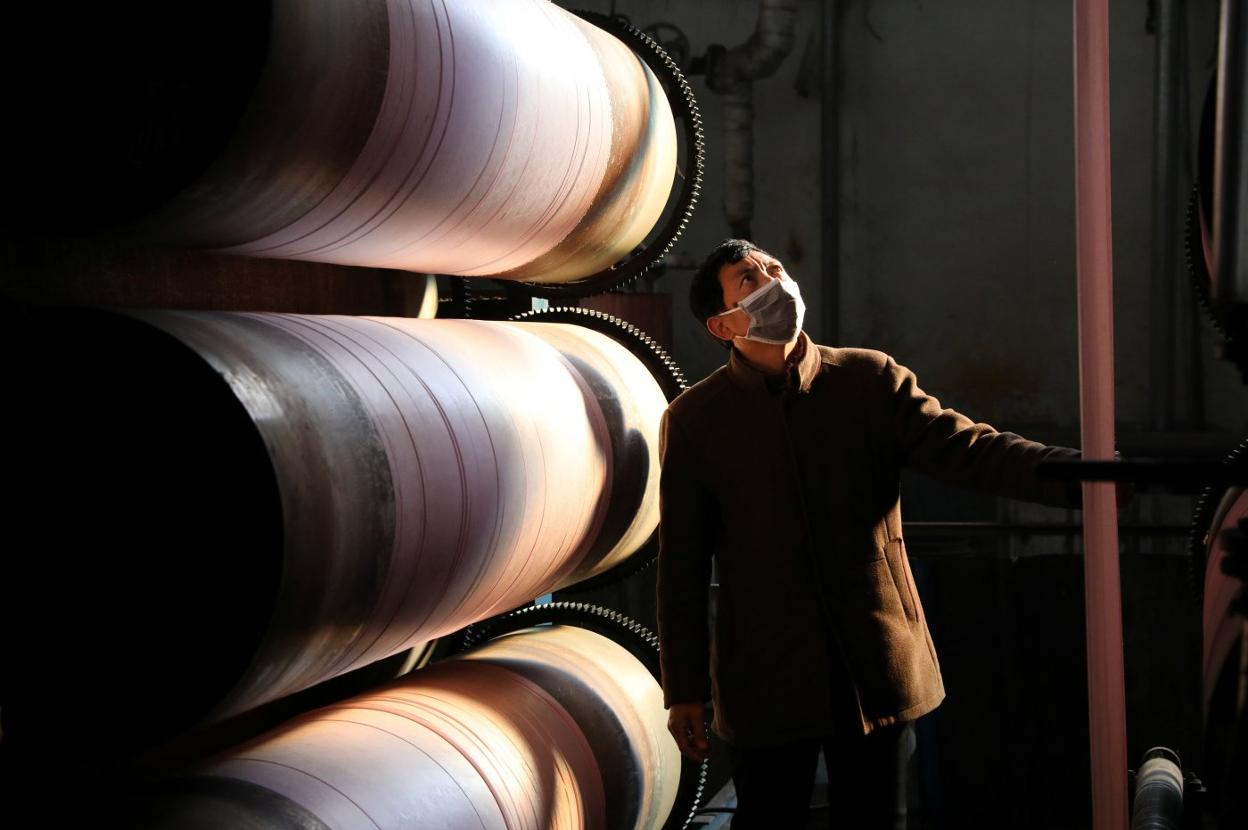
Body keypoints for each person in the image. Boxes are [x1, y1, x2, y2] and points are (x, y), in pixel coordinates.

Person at [656, 238, 1093, 828]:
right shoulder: (696, 420)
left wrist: (1081, 476)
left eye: (775, 268)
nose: (773, 280)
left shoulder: (867, 379)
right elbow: (681, 562)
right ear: (723, 324)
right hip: (765, 671)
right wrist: (683, 687)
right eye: (748, 278)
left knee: (873, 817)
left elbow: (968, 449)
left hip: (871, 659)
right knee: (767, 815)